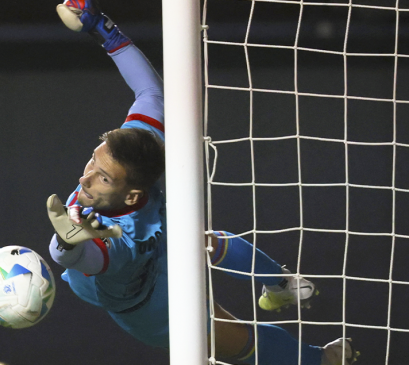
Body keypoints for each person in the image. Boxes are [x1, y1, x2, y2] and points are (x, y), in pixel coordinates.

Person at [45, 1, 358, 364]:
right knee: (231, 331)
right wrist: (102, 28)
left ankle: (289, 298)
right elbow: (95, 257)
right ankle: (313, 345)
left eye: (101, 176)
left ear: (133, 193)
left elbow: (151, 93)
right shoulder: (123, 187)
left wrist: (65, 247)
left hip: (150, 271)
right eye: (92, 162)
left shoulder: (126, 191)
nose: (85, 178)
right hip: (143, 299)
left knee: (201, 242)